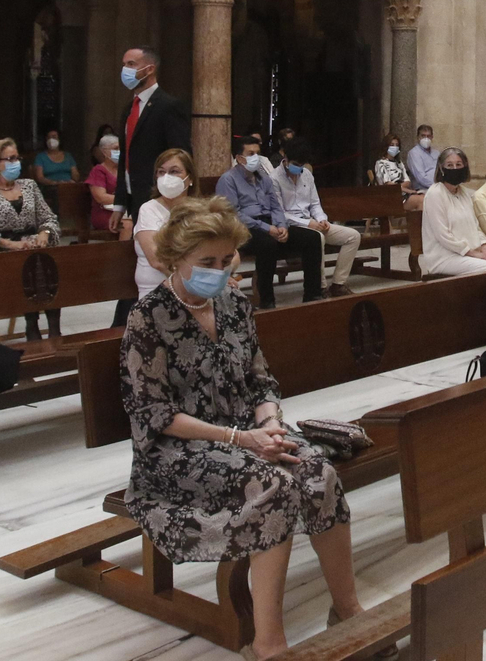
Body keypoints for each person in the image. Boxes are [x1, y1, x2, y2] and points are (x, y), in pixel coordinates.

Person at [119, 196, 393, 661]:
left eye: (227, 260)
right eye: (206, 262)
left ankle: (347, 610)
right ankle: (268, 643)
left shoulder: (233, 304)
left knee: (317, 471)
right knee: (275, 488)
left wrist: (271, 426)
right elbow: (154, 415)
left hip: (248, 433)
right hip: (175, 453)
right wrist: (240, 438)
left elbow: (261, 380)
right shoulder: (148, 318)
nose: (220, 270)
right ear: (175, 259)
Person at [0, 138, 62, 338]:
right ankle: (31, 325)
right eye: (9, 159)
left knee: (48, 262)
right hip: (3, 252)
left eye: (16, 158)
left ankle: (54, 327)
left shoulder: (29, 185)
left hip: (35, 247)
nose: (15, 162)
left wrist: (44, 234)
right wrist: (11, 244)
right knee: (30, 264)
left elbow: (48, 217)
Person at [216, 136, 323, 306]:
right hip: (244, 229)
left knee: (312, 238)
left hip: (269, 224)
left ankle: (313, 294)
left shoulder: (264, 179)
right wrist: (268, 228)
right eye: (250, 153)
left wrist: (281, 226)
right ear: (239, 158)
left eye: (257, 153)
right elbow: (234, 214)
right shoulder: (228, 180)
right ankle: (267, 301)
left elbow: (276, 207)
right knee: (268, 244)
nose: (255, 158)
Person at [113, 46, 191, 228]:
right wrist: (120, 204)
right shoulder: (129, 109)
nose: (126, 70)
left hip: (160, 194)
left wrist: (174, 190)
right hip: (133, 194)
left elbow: (181, 153)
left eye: (131, 64)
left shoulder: (168, 106)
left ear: (149, 69)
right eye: (124, 65)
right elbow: (126, 156)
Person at [274, 139, 360, 299]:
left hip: (312, 221)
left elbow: (314, 203)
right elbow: (280, 213)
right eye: (295, 164)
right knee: (317, 238)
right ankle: (320, 286)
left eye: (301, 165)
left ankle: (338, 284)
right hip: (292, 226)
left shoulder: (306, 174)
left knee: (353, 236)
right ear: (285, 158)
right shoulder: (274, 178)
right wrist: (309, 223)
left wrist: (322, 219)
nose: (298, 168)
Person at [128, 147, 197, 310]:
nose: (167, 178)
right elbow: (158, 261)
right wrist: (192, 286)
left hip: (195, 290)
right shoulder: (148, 209)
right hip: (157, 294)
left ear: (190, 178)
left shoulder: (199, 210)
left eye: (174, 172)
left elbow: (231, 254)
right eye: (161, 172)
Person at [420, 147, 486, 276]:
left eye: (458, 164)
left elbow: (476, 227)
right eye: (450, 165)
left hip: (469, 254)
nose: (455, 169)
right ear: (441, 168)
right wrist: (473, 254)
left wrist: (484, 248)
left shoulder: (463, 193)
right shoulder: (435, 193)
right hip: (445, 257)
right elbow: (443, 235)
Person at [86, 133, 121, 234]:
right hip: (104, 214)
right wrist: (125, 199)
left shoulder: (124, 170)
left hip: (123, 211)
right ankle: (120, 250)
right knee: (127, 224)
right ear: (104, 151)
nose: (119, 152)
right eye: (116, 148)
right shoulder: (98, 171)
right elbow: (101, 197)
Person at [405, 123, 439, 194]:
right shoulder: (414, 153)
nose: (426, 139)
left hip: (439, 187)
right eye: (423, 136)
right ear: (418, 137)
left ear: (432, 137)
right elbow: (421, 178)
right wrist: (438, 186)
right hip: (423, 189)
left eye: (428, 136)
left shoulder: (437, 153)